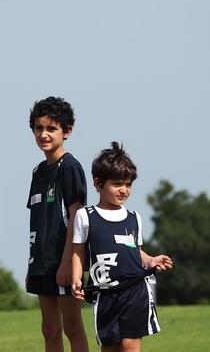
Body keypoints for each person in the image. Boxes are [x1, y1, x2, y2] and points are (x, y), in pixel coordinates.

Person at [72, 142, 173, 351]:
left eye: (128, 184)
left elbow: (136, 252)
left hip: (135, 290)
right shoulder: (85, 216)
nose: (124, 190)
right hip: (104, 294)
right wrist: (76, 278)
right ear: (98, 183)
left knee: (129, 346)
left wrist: (152, 260)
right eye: (118, 184)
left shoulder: (134, 218)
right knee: (110, 348)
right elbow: (78, 251)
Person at [26, 97, 89, 352]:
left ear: (67, 131)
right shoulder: (38, 172)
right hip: (41, 261)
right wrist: (31, 262)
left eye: (51, 129)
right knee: (49, 329)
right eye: (39, 128)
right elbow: (38, 221)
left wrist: (67, 262)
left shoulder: (70, 167)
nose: (44, 134)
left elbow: (77, 218)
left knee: (72, 327)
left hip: (62, 261)